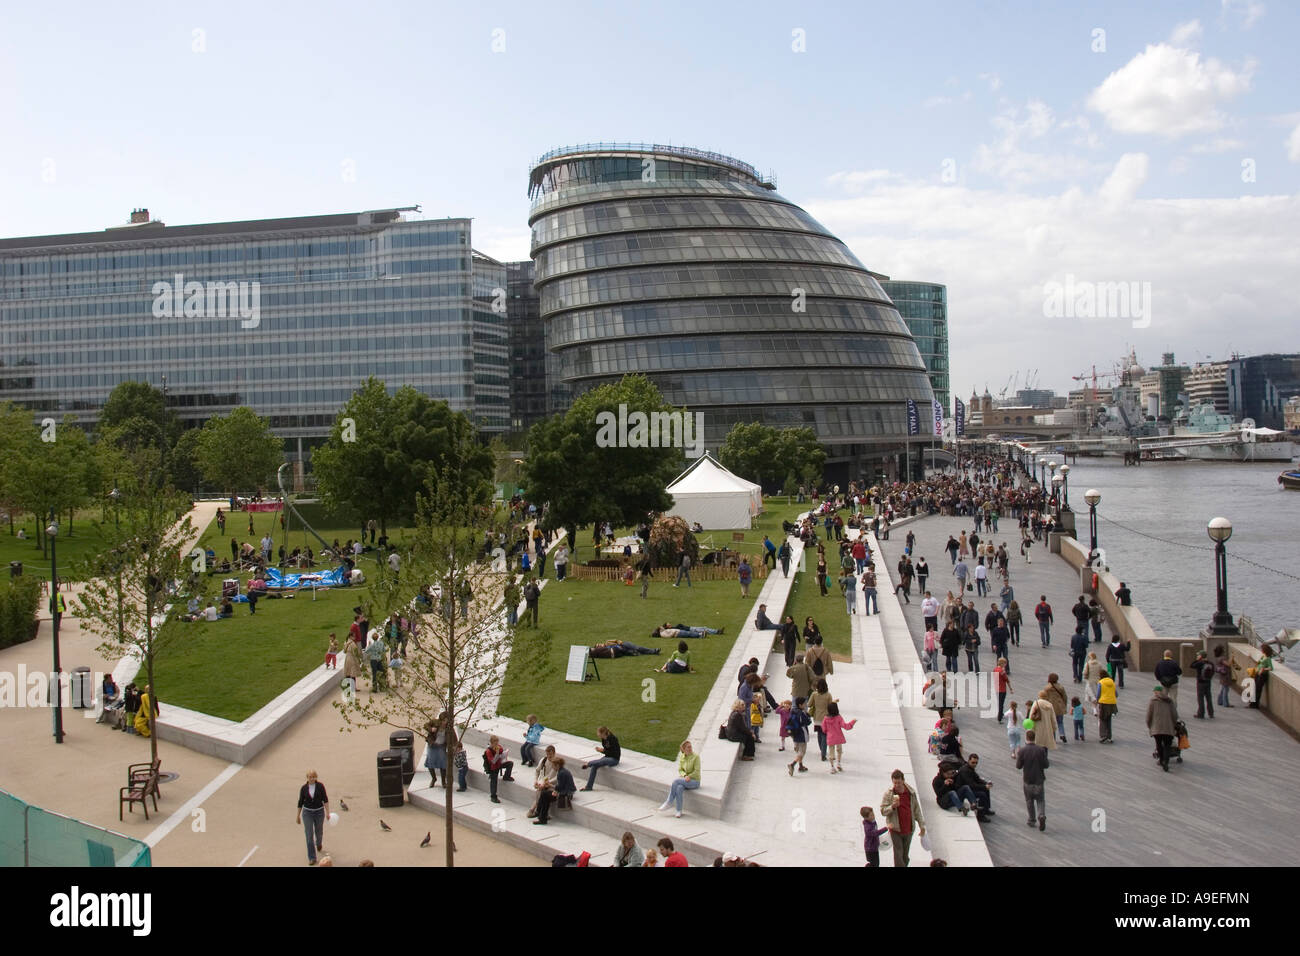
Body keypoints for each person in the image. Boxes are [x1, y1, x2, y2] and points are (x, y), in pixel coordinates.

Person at [880, 770, 927, 867]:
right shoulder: (889, 794)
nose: (897, 785)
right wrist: (892, 807)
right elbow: (883, 811)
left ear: (903, 781)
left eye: (899, 782)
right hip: (895, 829)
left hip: (909, 828)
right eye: (895, 783)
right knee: (898, 854)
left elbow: (916, 810)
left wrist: (921, 825)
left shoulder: (910, 793)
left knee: (905, 855)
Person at [1016, 730, 1050, 831]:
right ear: (1035, 737)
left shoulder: (1022, 751)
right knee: (1040, 800)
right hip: (1039, 780)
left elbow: (1018, 766)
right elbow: (1046, 765)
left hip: (1028, 780)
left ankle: (1032, 819)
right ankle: (1041, 815)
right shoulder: (1041, 750)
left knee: (1029, 800)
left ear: (1026, 738)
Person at [295, 770, 330, 866]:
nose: (312, 778)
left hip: (319, 812)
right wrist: (298, 815)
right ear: (307, 778)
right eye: (310, 777)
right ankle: (312, 857)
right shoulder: (303, 788)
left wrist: (327, 812)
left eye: (314, 776)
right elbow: (300, 802)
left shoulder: (320, 786)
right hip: (307, 813)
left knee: (319, 831)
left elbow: (325, 799)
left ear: (316, 777)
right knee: (309, 834)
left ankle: (319, 843)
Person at [656, 741, 700, 818]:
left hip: (694, 781)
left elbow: (697, 771)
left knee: (675, 781)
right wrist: (685, 775)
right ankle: (679, 811)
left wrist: (689, 776)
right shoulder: (682, 757)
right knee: (679, 788)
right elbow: (680, 770)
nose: (690, 748)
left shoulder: (696, 757)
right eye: (688, 747)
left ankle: (669, 802)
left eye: (690, 746)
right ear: (683, 749)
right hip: (685, 780)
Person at [1146, 684, 1180, 771]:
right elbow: (1175, 715)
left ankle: (1161, 760)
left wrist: (1150, 725)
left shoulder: (1153, 701)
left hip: (1156, 728)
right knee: (1167, 745)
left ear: (1156, 692)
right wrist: (1174, 724)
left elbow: (1149, 716)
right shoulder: (1170, 701)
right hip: (1168, 728)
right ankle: (1166, 761)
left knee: (1159, 744)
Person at [821, 701, 856, 773]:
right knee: (839, 751)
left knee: (831, 753)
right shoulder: (839, 717)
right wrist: (853, 722)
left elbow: (824, 729)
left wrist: (827, 731)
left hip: (830, 738)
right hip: (838, 737)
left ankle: (832, 767)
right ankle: (839, 763)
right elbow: (846, 726)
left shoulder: (825, 718)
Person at [483, 735, 515, 803]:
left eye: (497, 742)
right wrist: (497, 753)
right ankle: (493, 796)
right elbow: (493, 761)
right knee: (494, 782)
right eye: (495, 743)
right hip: (493, 768)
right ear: (492, 743)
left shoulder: (498, 746)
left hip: (499, 764)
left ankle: (506, 776)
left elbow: (501, 749)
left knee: (510, 764)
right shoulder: (488, 751)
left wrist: (501, 752)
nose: (497, 744)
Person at [423, 713, 452, 789]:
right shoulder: (435, 722)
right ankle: (433, 778)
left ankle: (443, 781)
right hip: (432, 745)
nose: (444, 722)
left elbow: (452, 737)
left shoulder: (448, 727)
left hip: (441, 746)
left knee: (443, 764)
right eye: (443, 721)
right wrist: (431, 729)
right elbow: (426, 725)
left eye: (446, 721)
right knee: (430, 763)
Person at [808, 678, 834, 762]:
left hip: (817, 717)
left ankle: (821, 750)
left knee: (819, 734)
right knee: (824, 735)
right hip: (826, 718)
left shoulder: (814, 694)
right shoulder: (828, 695)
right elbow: (831, 707)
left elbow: (809, 704)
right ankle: (823, 753)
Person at [785, 696, 812, 774]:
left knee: (798, 751)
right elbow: (807, 722)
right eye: (804, 704)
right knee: (802, 752)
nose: (805, 705)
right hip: (802, 734)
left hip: (794, 734)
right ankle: (792, 764)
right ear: (800, 705)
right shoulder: (802, 713)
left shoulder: (793, 711)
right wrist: (808, 716)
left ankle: (801, 765)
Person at [1041, 674, 1069, 744]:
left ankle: (1053, 738)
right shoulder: (1060, 687)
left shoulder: (1047, 688)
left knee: (1051, 723)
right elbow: (1065, 697)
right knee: (1060, 722)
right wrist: (1064, 705)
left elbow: (1044, 698)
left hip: (1050, 708)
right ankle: (1062, 734)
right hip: (1059, 707)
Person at [1191, 650, 1216, 719]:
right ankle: (1211, 713)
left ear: (1201, 656)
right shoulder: (1211, 663)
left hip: (1200, 683)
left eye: (1198, 655)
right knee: (1209, 698)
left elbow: (1192, 665)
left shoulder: (1200, 663)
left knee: (1200, 698)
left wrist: (1197, 660)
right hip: (1208, 682)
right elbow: (1213, 671)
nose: (1197, 656)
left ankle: (1201, 713)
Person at [1097, 672, 1118, 743]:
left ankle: (1103, 736)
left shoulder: (1101, 683)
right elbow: (1116, 694)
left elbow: (1098, 693)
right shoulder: (1112, 682)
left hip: (1103, 703)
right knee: (1109, 719)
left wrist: (1097, 700)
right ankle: (1109, 736)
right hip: (1112, 704)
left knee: (1102, 719)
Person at [1250, 645, 1274, 709]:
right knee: (1255, 688)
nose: (1261, 650)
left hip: (1262, 675)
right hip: (1258, 674)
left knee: (1258, 689)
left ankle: (1255, 705)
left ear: (1265, 651)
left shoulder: (1268, 659)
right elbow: (1258, 663)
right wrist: (1251, 657)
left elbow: (1271, 668)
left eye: (1262, 649)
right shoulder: (1263, 656)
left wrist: (1264, 669)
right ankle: (1252, 704)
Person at [1212, 644, 1236, 709]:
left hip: (1222, 675)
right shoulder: (1222, 658)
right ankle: (1226, 703)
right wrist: (1232, 658)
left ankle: (1220, 701)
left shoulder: (1217, 658)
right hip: (1226, 676)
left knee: (1222, 688)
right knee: (1226, 689)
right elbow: (1228, 664)